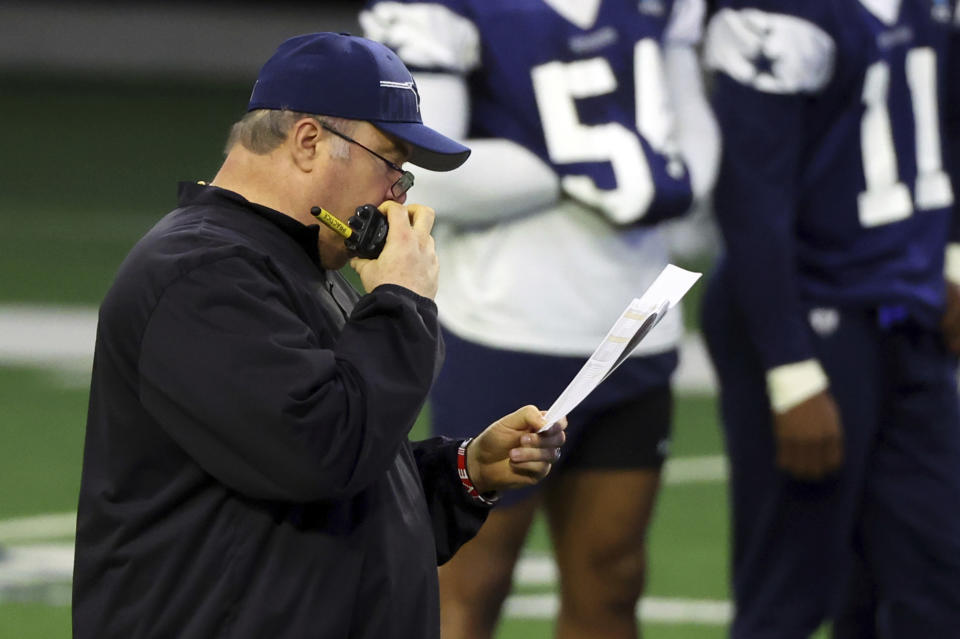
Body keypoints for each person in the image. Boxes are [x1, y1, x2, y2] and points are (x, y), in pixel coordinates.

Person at [71, 32, 567, 639]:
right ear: (309, 141)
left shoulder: (292, 265)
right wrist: (403, 303)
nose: (397, 195)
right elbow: (322, 456)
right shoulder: (200, 275)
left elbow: (341, 501)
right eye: (392, 164)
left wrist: (464, 473)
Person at [361, 1, 719, 637]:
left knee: (612, 578)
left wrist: (668, 180)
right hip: (505, 327)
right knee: (470, 581)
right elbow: (425, 171)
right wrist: (576, 167)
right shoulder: (442, 11)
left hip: (636, 325)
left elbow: (688, 132)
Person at [701, 1, 960, 637]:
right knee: (789, 593)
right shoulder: (778, 14)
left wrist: (951, 259)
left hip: (908, 311)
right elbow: (750, 197)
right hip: (809, 313)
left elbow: (948, 128)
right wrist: (790, 370)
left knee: (935, 581)